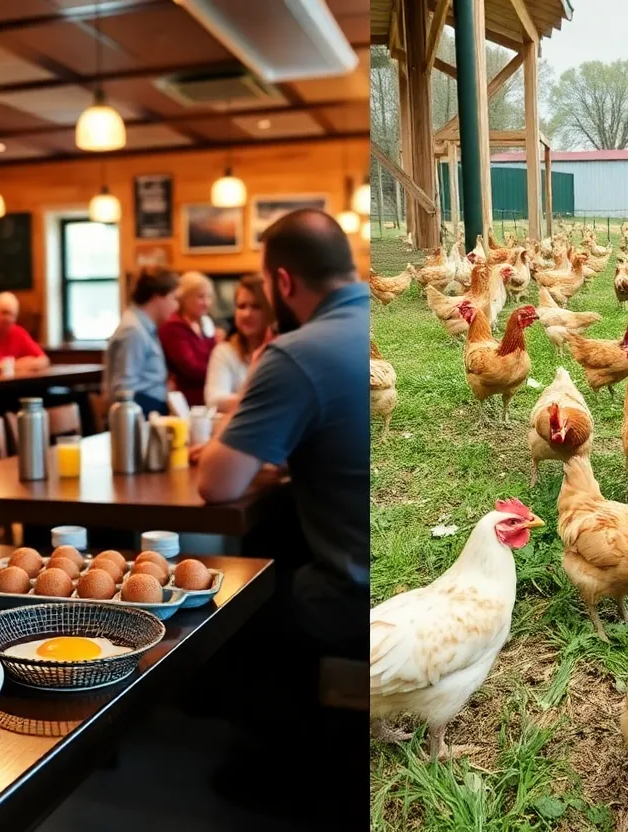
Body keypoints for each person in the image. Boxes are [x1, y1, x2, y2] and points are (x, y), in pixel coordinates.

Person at [193, 209, 367, 813]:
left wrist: (222, 451)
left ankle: (278, 772)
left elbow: (217, 483)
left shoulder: (295, 352)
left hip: (353, 595)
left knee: (242, 609)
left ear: (283, 283)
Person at [103, 268, 179, 416]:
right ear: (157, 297)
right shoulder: (133, 330)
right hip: (140, 416)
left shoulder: (145, 326)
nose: (176, 306)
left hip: (151, 410)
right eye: (173, 298)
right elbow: (124, 390)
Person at [203, 275, 273, 412]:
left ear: (269, 311)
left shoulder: (280, 350)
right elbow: (214, 400)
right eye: (241, 306)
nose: (247, 314)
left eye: (256, 306)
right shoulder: (224, 351)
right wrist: (264, 400)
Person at [158, 271, 218, 406]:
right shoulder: (172, 328)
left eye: (209, 297)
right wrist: (219, 373)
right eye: (201, 297)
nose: (206, 303)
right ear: (185, 297)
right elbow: (191, 368)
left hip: (208, 400)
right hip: (185, 403)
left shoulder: (206, 325)